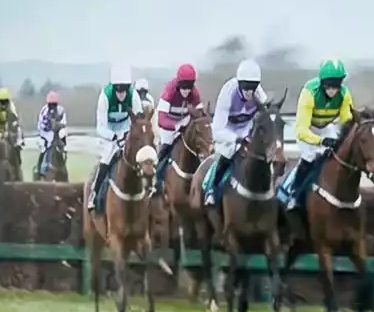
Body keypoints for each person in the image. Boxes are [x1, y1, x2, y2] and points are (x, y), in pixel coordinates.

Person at [283, 57, 356, 209]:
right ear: (322, 82)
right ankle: (294, 194)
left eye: (337, 85)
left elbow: (347, 123)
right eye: (329, 85)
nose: (333, 90)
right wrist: (321, 141)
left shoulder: (344, 94)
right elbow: (301, 130)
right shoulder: (309, 92)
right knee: (310, 157)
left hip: (327, 127)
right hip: (308, 128)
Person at [204, 58, 266, 206]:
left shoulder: (260, 95)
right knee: (228, 152)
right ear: (239, 84)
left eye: (253, 88)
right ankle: (212, 189)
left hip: (247, 128)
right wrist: (236, 138)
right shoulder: (228, 92)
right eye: (246, 88)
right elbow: (217, 129)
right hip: (228, 130)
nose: (250, 93)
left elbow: (264, 117)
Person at [89, 64, 142, 209]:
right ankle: (95, 193)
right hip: (109, 133)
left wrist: (130, 134)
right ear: (113, 87)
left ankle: (150, 190)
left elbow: (139, 121)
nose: (121, 93)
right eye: (118, 89)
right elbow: (100, 127)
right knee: (107, 157)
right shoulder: (105, 97)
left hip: (126, 130)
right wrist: (113, 136)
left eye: (124, 89)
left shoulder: (134, 95)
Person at [153, 62, 204, 190]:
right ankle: (156, 182)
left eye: (189, 86)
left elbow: (200, 114)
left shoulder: (194, 93)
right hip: (168, 127)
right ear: (178, 83)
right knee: (165, 149)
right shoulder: (169, 90)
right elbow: (161, 119)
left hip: (185, 122)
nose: (186, 90)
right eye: (183, 86)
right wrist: (175, 126)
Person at [34, 90, 68, 178]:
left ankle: (63, 170)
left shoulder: (61, 110)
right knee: (44, 148)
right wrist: (48, 134)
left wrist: (58, 129)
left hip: (57, 133)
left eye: (54, 104)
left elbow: (64, 123)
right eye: (51, 104)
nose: (52, 107)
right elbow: (41, 125)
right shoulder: (44, 111)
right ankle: (39, 169)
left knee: (62, 148)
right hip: (45, 133)